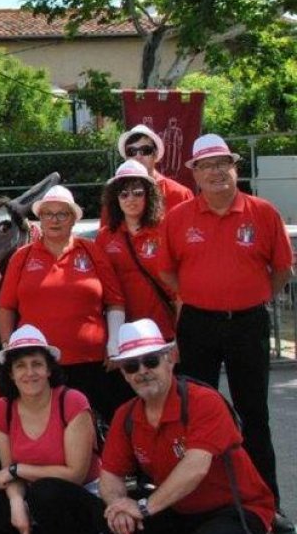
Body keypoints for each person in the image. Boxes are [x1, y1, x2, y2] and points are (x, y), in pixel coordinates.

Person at [158, 134, 293, 533]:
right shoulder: (179, 217)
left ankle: (269, 506)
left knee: (255, 416)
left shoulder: (263, 212)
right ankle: (203, 500)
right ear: (195, 174)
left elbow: (282, 270)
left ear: (235, 168)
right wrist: (200, 294)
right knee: (195, 417)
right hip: (198, 324)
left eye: (223, 163)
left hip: (248, 324)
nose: (216, 171)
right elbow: (167, 271)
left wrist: (249, 298)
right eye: (207, 165)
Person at [99, 319, 276, 534]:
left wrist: (143, 508)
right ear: (125, 375)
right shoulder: (125, 415)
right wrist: (118, 507)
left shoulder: (203, 401)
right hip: (176, 508)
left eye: (151, 361)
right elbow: (110, 475)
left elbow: (195, 468)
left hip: (235, 508)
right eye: (131, 366)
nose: (142, 371)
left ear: (170, 360)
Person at [0, 184, 128, 420]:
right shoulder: (22, 256)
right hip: (38, 365)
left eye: (62, 214)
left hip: (92, 362)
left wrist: (115, 344)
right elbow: (6, 308)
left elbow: (115, 301)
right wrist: (9, 350)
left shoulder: (92, 251)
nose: (54, 220)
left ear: (73, 219)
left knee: (95, 427)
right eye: (48, 214)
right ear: (40, 219)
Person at [0, 325, 104, 534]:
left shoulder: (72, 402)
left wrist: (18, 470)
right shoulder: (3, 410)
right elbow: (8, 475)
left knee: (46, 492)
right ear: (11, 374)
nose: (29, 372)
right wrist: (15, 502)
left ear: (49, 369)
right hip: (31, 494)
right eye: (20, 366)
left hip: (80, 495)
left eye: (37, 364)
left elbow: (76, 475)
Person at [96, 161, 178, 340]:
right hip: (125, 332)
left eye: (138, 193)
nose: (130, 199)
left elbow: (180, 286)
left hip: (165, 329)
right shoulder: (105, 236)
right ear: (115, 199)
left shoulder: (166, 230)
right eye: (123, 194)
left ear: (149, 195)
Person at [117, 124, 193, 213]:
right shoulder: (116, 194)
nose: (138, 156)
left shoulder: (180, 195)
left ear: (156, 154)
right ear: (126, 157)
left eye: (145, 150)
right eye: (131, 151)